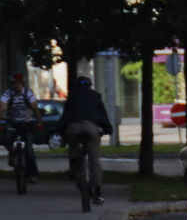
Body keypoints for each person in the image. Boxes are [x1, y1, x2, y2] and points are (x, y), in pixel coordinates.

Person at [56, 75, 113, 204]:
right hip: (91, 128)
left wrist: (60, 129)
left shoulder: (72, 95)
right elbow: (102, 114)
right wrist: (107, 129)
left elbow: (66, 114)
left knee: (73, 145)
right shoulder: (96, 95)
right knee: (94, 160)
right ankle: (98, 193)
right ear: (90, 85)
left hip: (74, 127)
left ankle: (74, 166)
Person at [0, 72, 42, 181]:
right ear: (12, 84)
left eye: (20, 83)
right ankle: (12, 154)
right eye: (15, 83)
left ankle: (33, 174)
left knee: (28, 149)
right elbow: (2, 106)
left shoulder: (28, 93)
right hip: (12, 121)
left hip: (26, 122)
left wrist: (39, 121)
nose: (17, 85)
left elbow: (34, 107)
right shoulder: (7, 93)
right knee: (7, 138)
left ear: (23, 84)